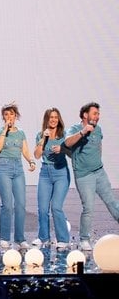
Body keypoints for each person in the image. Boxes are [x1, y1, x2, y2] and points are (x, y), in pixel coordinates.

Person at [63, 101, 119, 251]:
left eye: (98, 114)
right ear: (85, 115)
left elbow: (98, 146)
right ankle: (84, 239)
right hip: (84, 176)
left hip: (99, 172)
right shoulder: (74, 129)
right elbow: (67, 143)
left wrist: (97, 162)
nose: (97, 116)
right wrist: (83, 132)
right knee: (88, 208)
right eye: (95, 113)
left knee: (113, 203)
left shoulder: (98, 130)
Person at [0, 103, 36, 249]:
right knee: (7, 205)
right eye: (6, 114)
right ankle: (4, 237)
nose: (9, 117)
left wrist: (31, 161)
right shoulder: (0, 131)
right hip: (4, 168)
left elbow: (25, 150)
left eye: (11, 114)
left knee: (21, 205)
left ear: (16, 116)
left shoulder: (21, 133)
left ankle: (20, 238)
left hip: (18, 169)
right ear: (3, 117)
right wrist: (5, 129)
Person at [32, 107, 70, 250]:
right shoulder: (41, 135)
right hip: (45, 174)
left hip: (61, 173)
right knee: (42, 208)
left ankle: (63, 239)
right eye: (51, 117)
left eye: (55, 117)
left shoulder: (64, 135)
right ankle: (43, 237)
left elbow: (71, 152)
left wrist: (62, 149)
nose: (53, 120)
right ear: (46, 120)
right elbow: (36, 155)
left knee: (56, 206)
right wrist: (43, 139)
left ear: (59, 119)